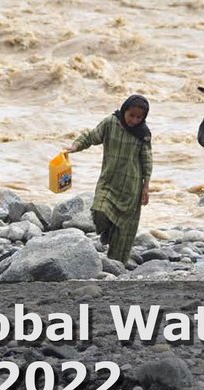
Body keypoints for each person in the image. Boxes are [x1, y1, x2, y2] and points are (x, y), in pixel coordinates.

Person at [66, 95, 153, 264]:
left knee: (122, 236)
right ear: (124, 110)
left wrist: (146, 187)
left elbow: (147, 161)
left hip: (130, 188)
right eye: (131, 115)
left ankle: (115, 270)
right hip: (108, 181)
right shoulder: (110, 123)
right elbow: (92, 136)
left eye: (138, 117)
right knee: (99, 211)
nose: (134, 120)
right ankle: (106, 231)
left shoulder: (143, 135)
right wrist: (75, 146)